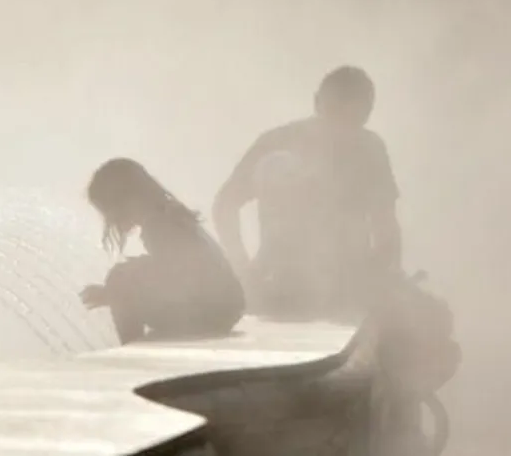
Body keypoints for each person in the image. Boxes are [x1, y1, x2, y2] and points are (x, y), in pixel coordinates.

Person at [211, 65, 403, 320]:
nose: (341, 129)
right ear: (317, 104)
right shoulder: (277, 144)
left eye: (353, 119)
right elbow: (226, 204)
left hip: (349, 291)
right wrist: (242, 269)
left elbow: (386, 226)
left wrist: (384, 281)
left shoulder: (370, 150)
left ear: (367, 113)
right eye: (337, 113)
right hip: (278, 285)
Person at [80, 158, 245, 343]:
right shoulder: (169, 214)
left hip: (213, 313)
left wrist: (113, 294)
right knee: (128, 275)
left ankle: (133, 350)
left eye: (107, 210)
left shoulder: (159, 225)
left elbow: (184, 275)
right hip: (226, 308)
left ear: (127, 200)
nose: (108, 219)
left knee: (119, 279)